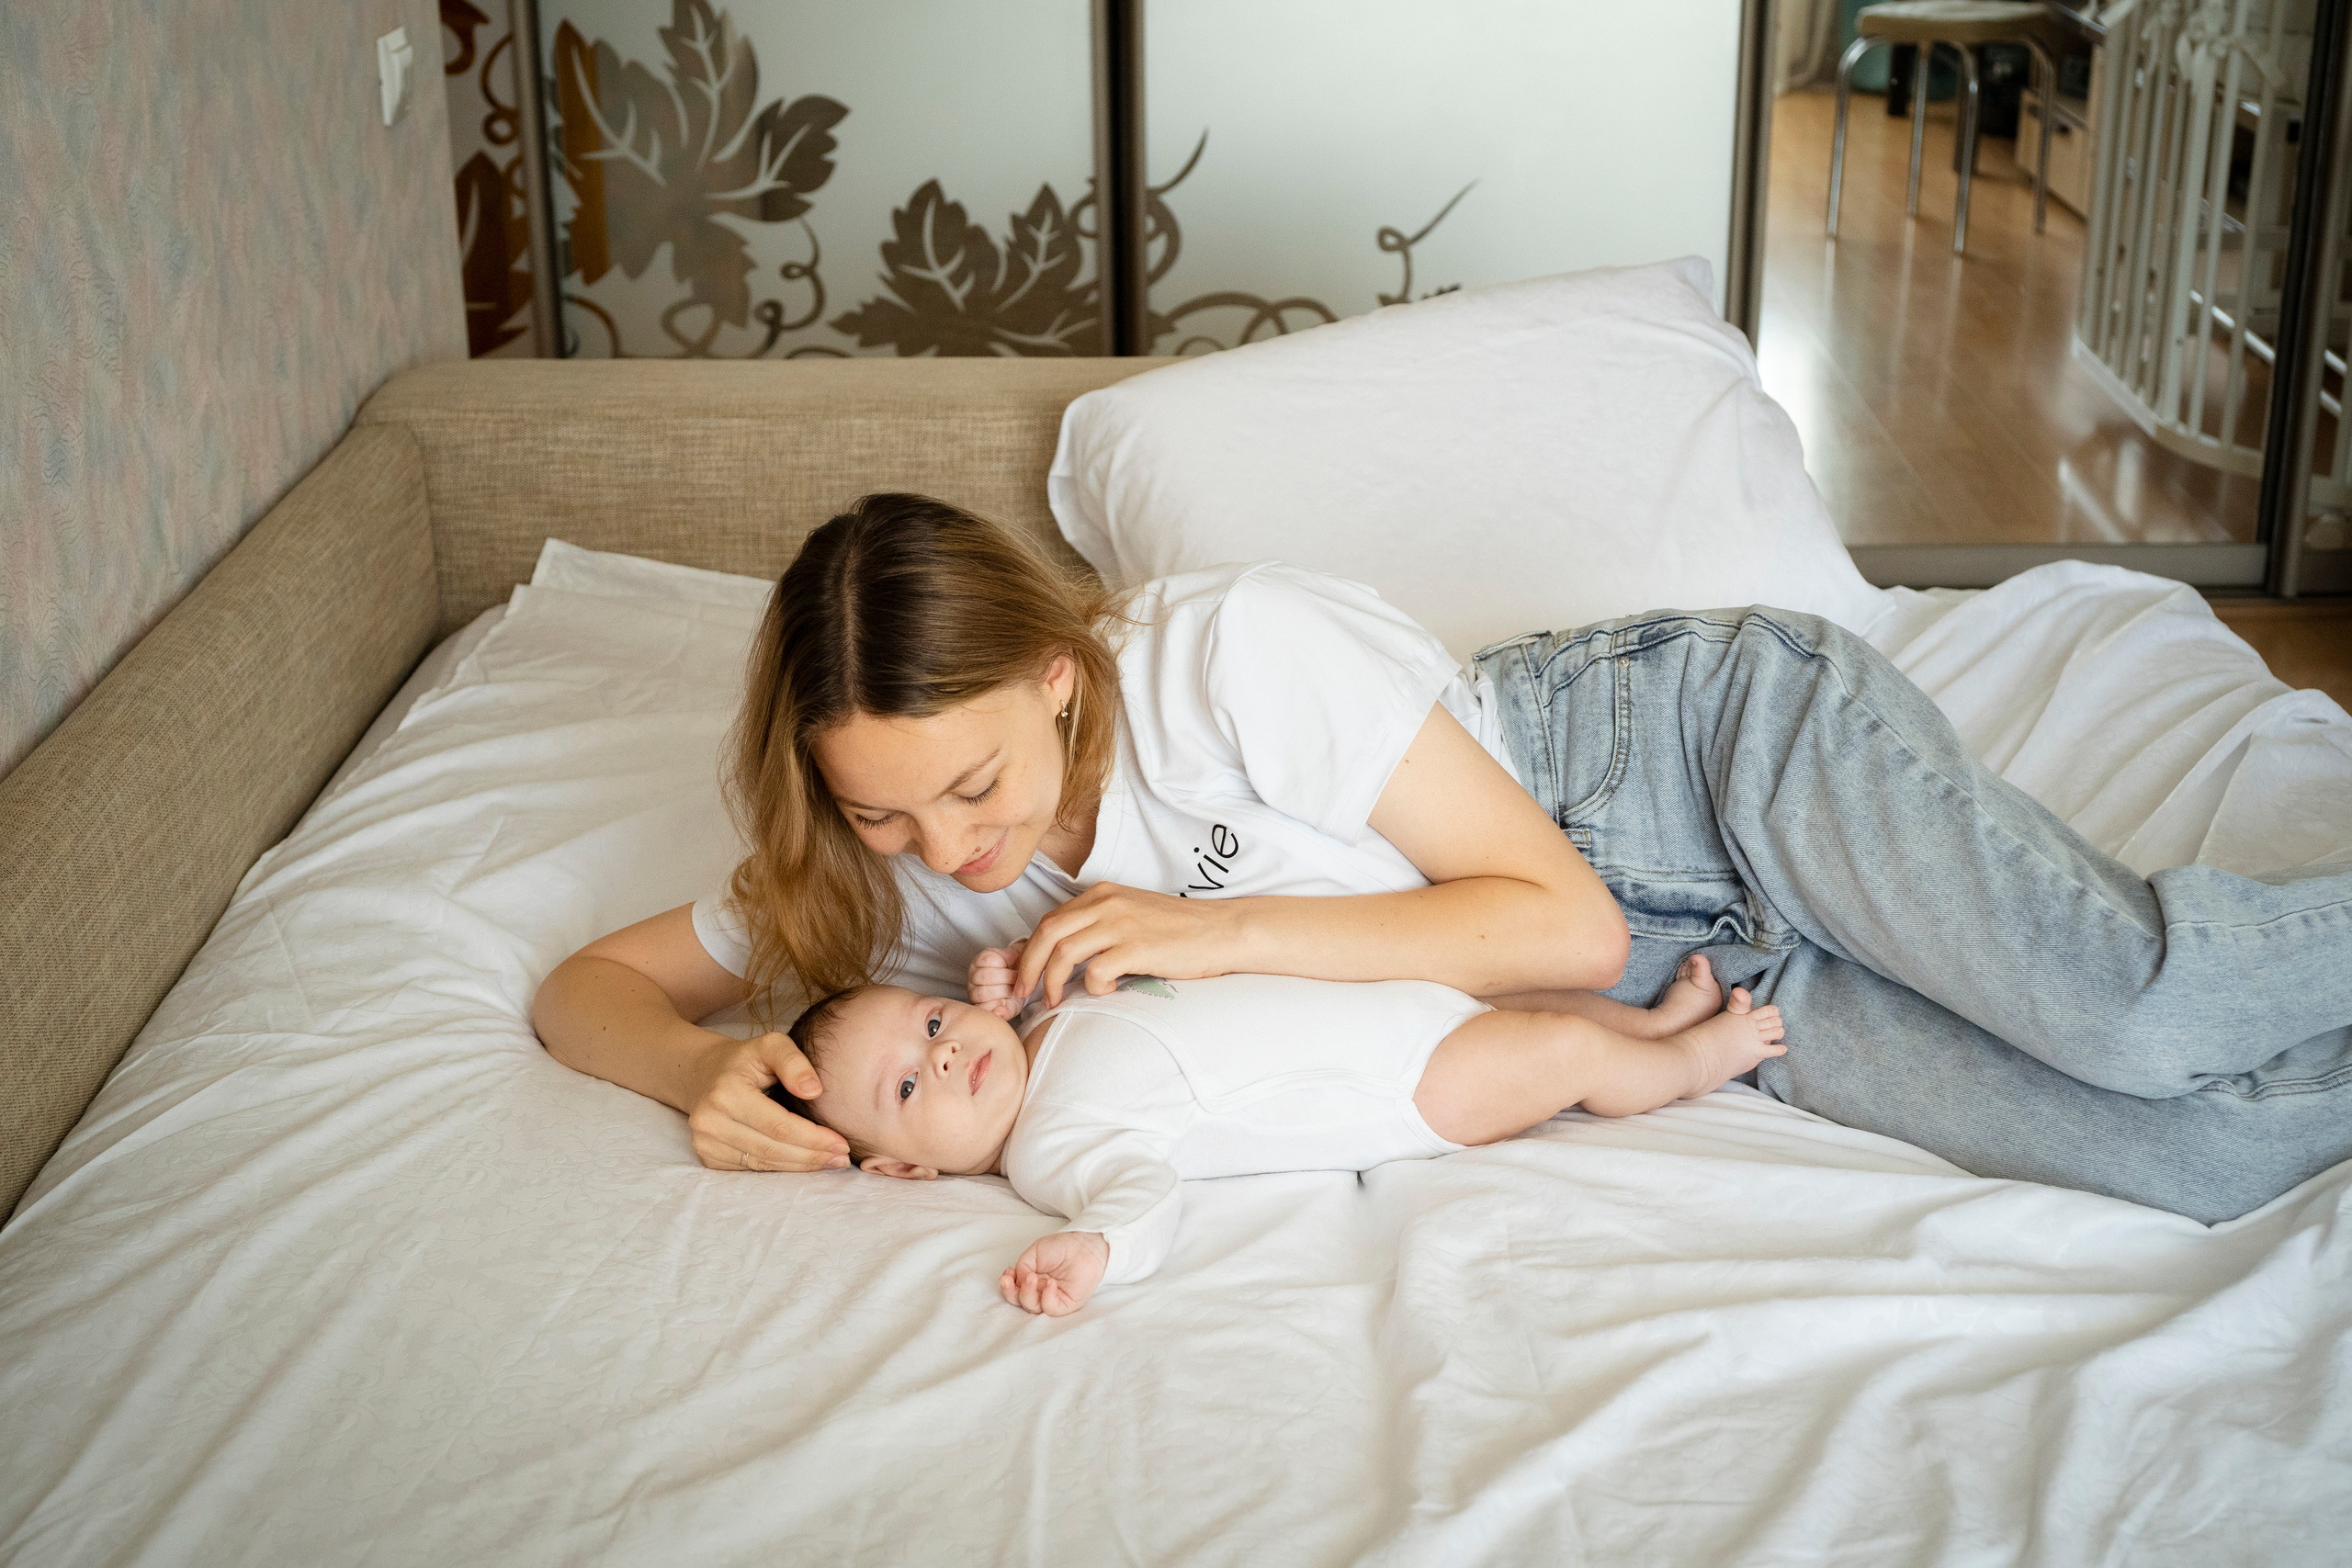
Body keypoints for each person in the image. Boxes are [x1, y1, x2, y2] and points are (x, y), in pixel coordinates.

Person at [531, 493, 2352, 1224]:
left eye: (978, 779)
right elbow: (584, 986)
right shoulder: (884, 887)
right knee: (2197, 1146)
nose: (953, 846)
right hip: (1679, 976)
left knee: (2137, 1007)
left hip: (1704, 765)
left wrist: (1219, 936)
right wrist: (705, 1066)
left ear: (1060, 679)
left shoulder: (1214, 655)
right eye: (884, 812)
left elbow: (1547, 913)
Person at [769, 961, 1785, 1316]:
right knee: (1557, 1047)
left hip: (1397, 1009)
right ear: (902, 1166)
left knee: (1521, 1001)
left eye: (933, 1022)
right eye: (909, 1084)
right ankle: (1703, 1060)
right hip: (1403, 1085)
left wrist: (1015, 985)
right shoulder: (1050, 1146)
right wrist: (1097, 1249)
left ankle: (1652, 1026)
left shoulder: (1042, 1028)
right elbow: (1139, 1194)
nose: (943, 1054)